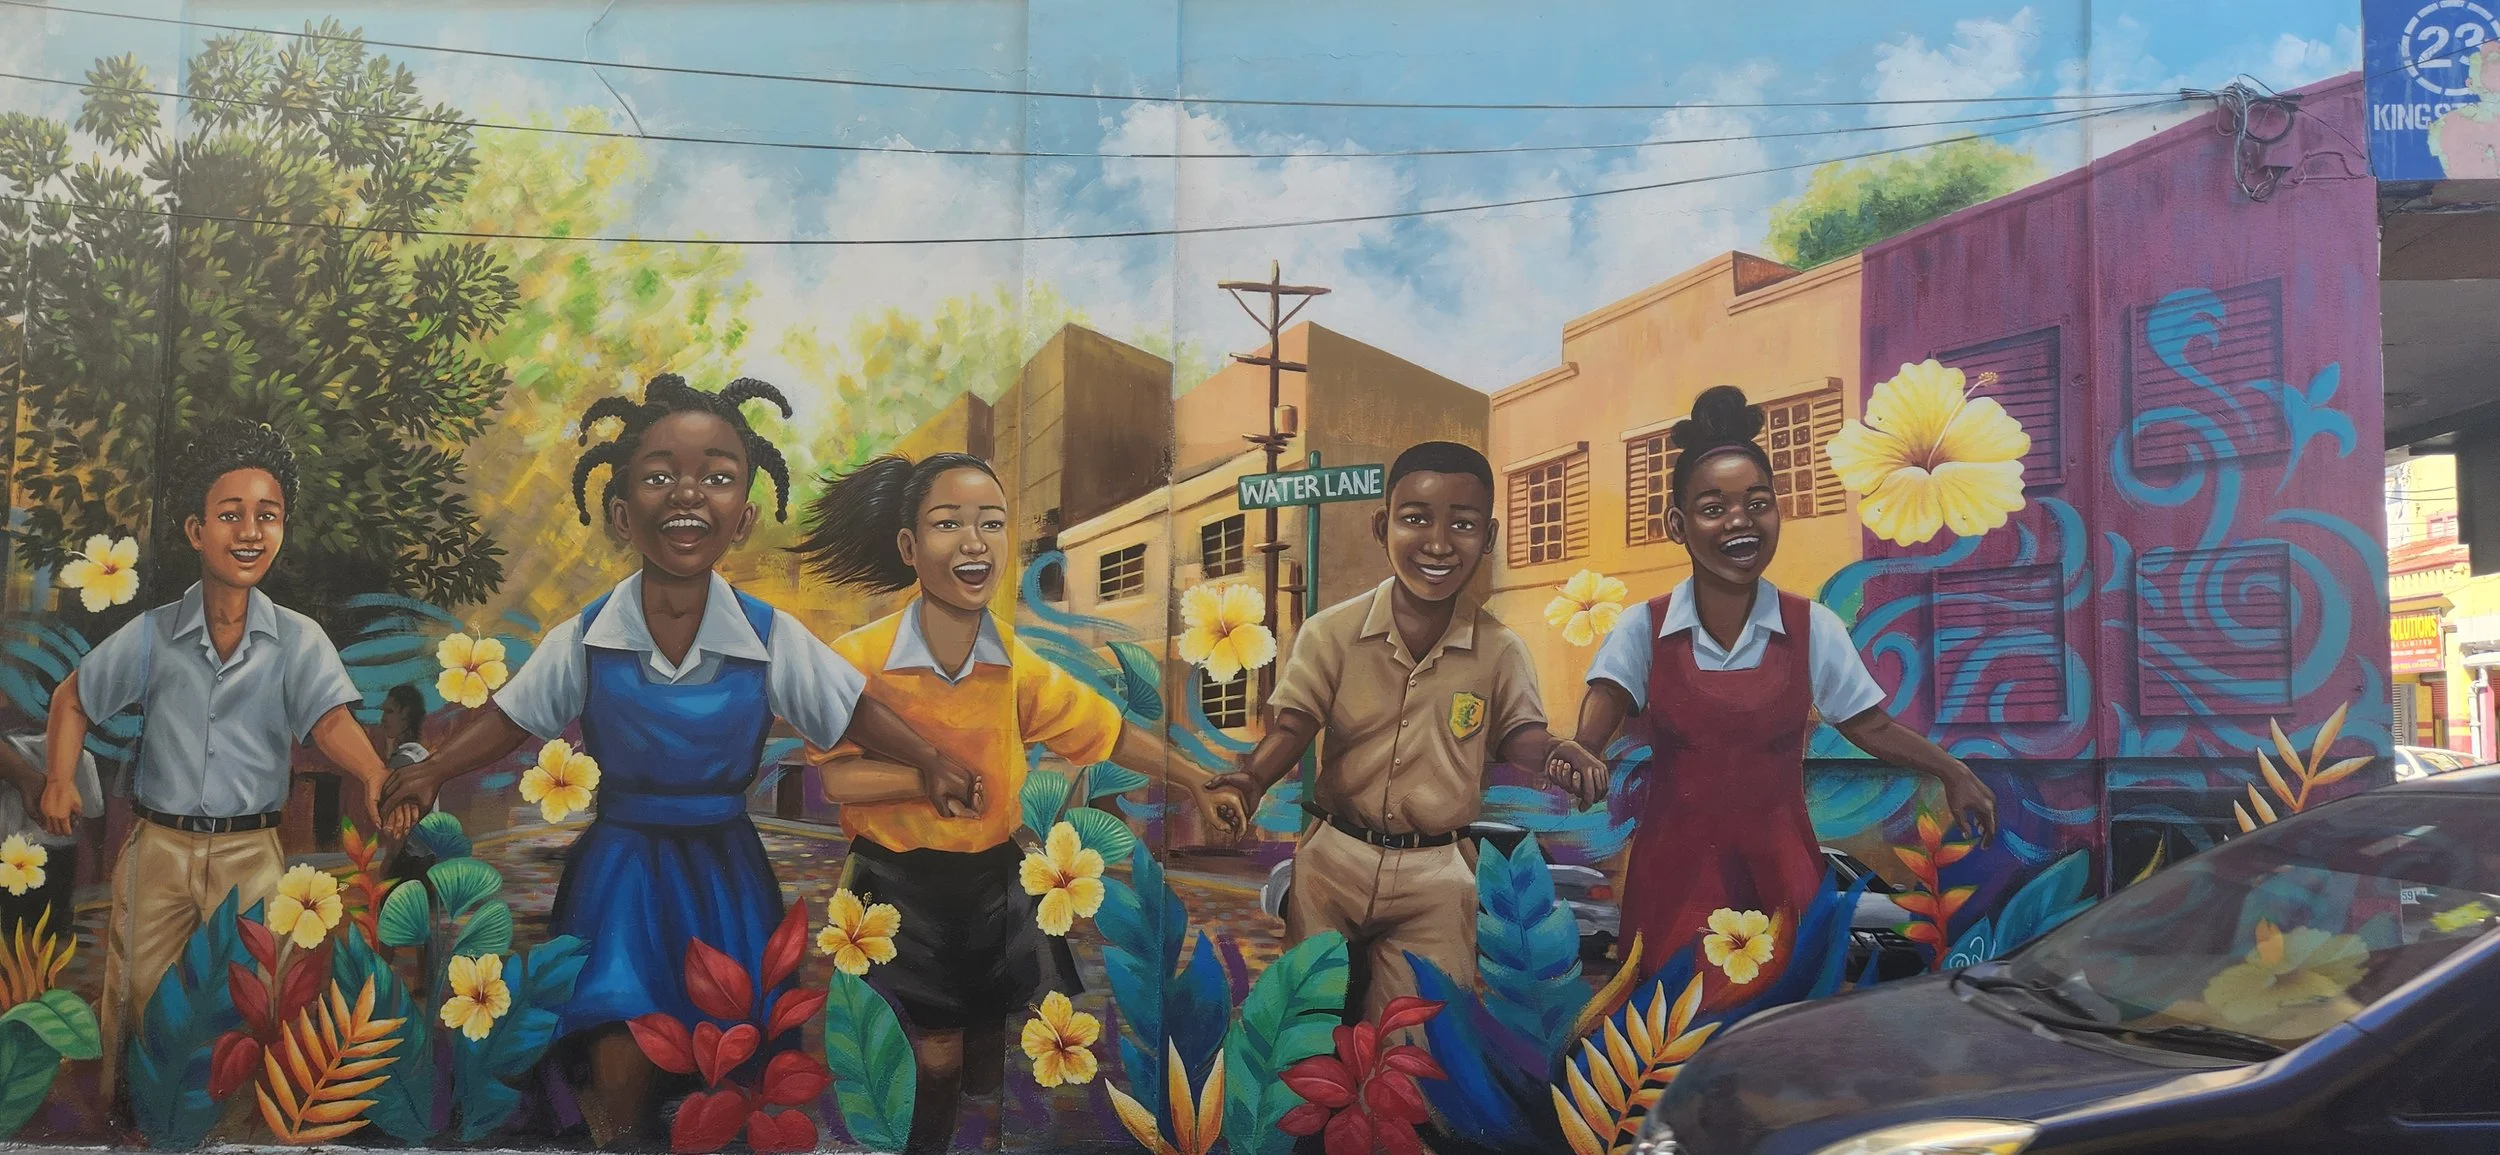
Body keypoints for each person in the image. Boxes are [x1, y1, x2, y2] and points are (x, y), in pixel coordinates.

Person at [380, 374, 981, 1147]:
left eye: (718, 476)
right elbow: (510, 717)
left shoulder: (770, 634)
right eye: (660, 474)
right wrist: (433, 768)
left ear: (745, 518)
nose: (688, 493)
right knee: (619, 1027)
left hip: (724, 871)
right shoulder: (587, 634)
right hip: (620, 871)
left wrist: (929, 757)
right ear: (623, 513)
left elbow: (850, 708)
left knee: (729, 1058)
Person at [791, 451, 1248, 1155]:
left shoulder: (1015, 665)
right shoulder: (859, 658)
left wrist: (1194, 780)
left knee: (992, 1044)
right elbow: (840, 782)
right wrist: (924, 780)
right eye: (949, 523)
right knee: (938, 1051)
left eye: (992, 523)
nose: (974, 541)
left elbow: (1107, 731)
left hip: (994, 879)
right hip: (900, 883)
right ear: (910, 547)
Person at [1545, 386, 1999, 990]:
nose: (1739, 522)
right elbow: (1596, 722)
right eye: (1714, 508)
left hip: (1783, 876)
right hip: (1675, 882)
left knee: (1787, 1033)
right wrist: (1580, 752)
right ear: (1676, 525)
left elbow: (1872, 728)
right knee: (1672, 1032)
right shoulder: (1641, 630)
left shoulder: (1814, 628)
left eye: (1758, 504)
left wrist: (1952, 771)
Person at [36, 418, 400, 1091]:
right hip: (159, 850)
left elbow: (328, 721)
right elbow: (73, 698)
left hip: (251, 855)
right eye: (231, 514)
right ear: (195, 530)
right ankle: (134, 1127)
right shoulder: (152, 634)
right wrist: (60, 778)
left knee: (253, 1009)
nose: (251, 532)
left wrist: (376, 772)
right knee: (138, 1005)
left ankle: (232, 1135)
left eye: (268, 515)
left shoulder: (299, 639)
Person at [1205, 441, 1559, 1033]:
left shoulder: (1502, 650)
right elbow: (1294, 724)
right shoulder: (1330, 634)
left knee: (1416, 1049)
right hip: (1334, 860)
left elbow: (1524, 734)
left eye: (1463, 524)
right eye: (1415, 518)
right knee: (1305, 1029)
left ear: (1489, 536)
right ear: (1382, 524)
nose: (1440, 544)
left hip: (1438, 873)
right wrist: (1248, 779)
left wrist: (1559, 754)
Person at [0, 727, 100, 943]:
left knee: (10, 928)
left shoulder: (9, 750)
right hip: (58, 852)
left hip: (12, 853)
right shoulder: (82, 758)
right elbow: (93, 813)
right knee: (53, 929)